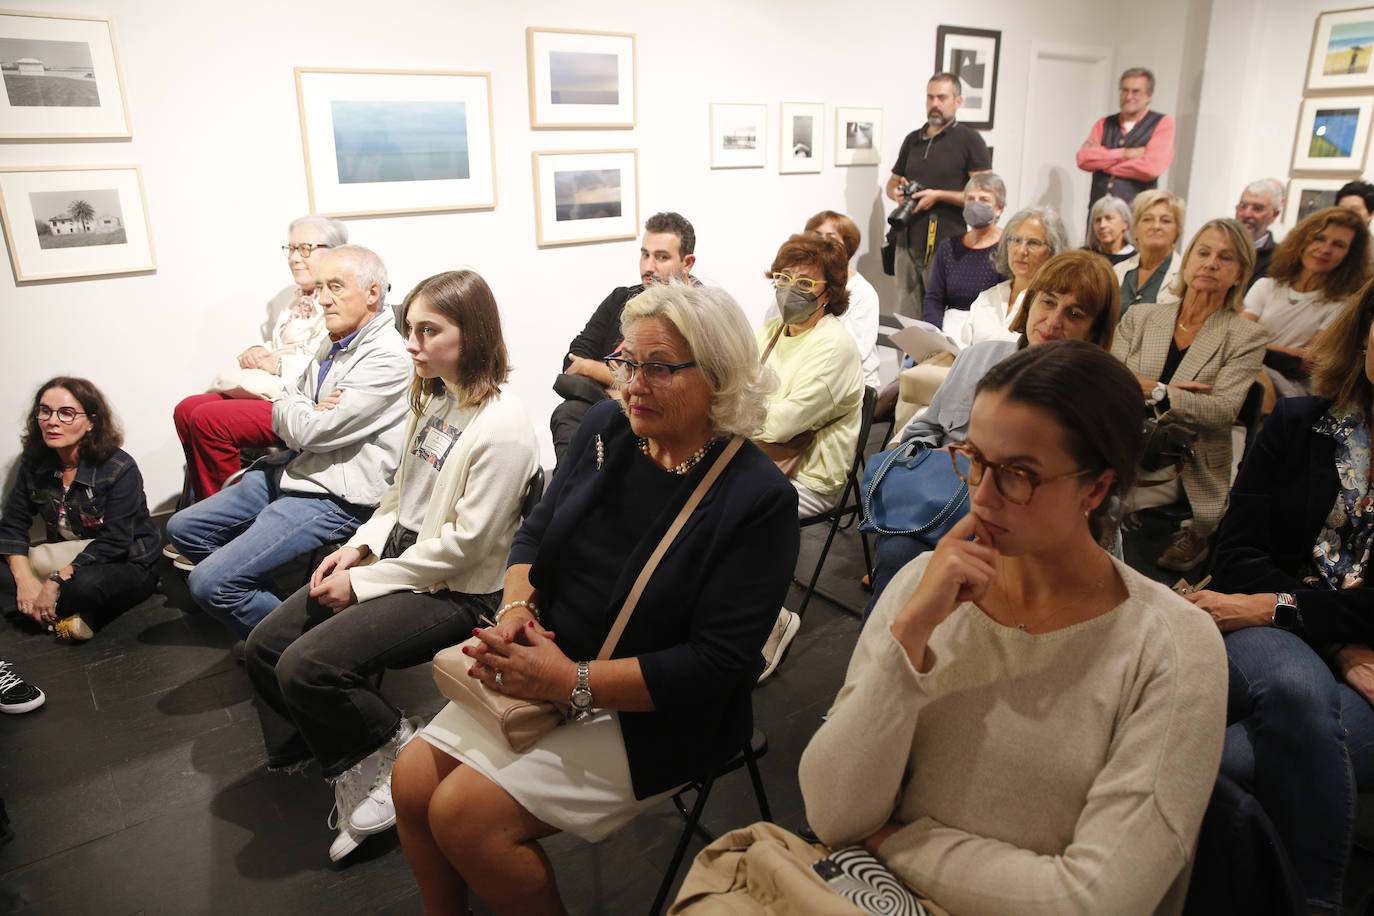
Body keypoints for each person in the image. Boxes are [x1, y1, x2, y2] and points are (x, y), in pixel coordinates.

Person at [391, 281, 798, 916]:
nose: (633, 383)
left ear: (719, 377)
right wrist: (518, 612)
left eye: (658, 368)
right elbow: (533, 535)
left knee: (465, 816)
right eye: (627, 362)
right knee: (410, 782)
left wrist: (571, 680)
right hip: (550, 662)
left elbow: (719, 665)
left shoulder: (756, 498)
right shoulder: (608, 428)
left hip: (658, 714)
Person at [800, 340, 1226, 916]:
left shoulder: (1171, 647)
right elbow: (832, 812)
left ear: (1096, 489)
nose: (980, 493)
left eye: (1018, 475)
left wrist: (892, 841)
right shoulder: (926, 589)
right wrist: (909, 635)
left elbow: (1096, 898)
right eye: (974, 458)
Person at [244, 269, 540, 863]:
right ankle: (346, 751)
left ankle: (392, 754)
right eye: (410, 329)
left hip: (459, 589)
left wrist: (364, 581)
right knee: (263, 645)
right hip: (405, 555)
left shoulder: (503, 429)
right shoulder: (433, 397)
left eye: (428, 331)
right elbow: (400, 495)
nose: (412, 344)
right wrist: (358, 547)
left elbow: (465, 548)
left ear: (474, 334)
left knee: (307, 665)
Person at [1187, 285, 1374, 915]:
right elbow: (1236, 554)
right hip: (1273, 633)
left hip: (1311, 636)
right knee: (1294, 695)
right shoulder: (1299, 424)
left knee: (1228, 758)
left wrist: (1284, 606)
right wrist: (1333, 634)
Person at [165, 245, 412, 638]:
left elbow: (310, 430)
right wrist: (304, 406)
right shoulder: (336, 338)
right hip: (298, 471)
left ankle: (302, 647)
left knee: (209, 583)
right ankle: (276, 617)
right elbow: (287, 397)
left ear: (372, 293)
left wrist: (302, 410)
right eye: (319, 287)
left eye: (335, 286)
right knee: (182, 528)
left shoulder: (388, 357)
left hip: (335, 496)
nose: (323, 299)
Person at [868, 250, 1121, 613]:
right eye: (1048, 302)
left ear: (1094, 331)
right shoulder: (977, 359)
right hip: (938, 509)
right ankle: (887, 662)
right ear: (1029, 302)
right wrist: (935, 454)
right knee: (897, 556)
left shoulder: (1096, 399)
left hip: (1024, 538)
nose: (1053, 321)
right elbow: (923, 428)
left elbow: (1097, 508)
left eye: (1075, 313)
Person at [1113, 218, 1267, 571]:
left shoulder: (1245, 335)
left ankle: (1195, 535)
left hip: (1188, 458)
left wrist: (1155, 389)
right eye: (1203, 252)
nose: (1211, 263)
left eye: (1225, 257)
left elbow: (1222, 410)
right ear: (1187, 261)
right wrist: (1171, 396)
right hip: (1124, 442)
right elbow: (1108, 381)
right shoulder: (1141, 317)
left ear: (1241, 272)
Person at [172, 215, 344, 504]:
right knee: (186, 410)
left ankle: (221, 517)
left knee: (207, 419)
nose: (293, 258)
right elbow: (284, 344)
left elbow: (331, 361)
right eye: (290, 249)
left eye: (304, 249)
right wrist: (260, 351)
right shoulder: (295, 299)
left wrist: (277, 364)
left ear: (335, 251)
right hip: (276, 388)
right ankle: (203, 506)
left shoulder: (340, 298)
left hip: (303, 400)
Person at [0, 377, 159, 642]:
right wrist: (26, 581)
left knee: (85, 586)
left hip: (122, 561)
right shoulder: (34, 461)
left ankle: (44, 611)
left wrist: (54, 582)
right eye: (45, 411)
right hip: (65, 557)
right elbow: (12, 526)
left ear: (91, 422)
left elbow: (115, 542)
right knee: (10, 566)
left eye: (66, 413)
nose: (52, 421)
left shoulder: (119, 467)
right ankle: (59, 615)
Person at [549, 211, 697, 462]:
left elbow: (678, 381)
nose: (649, 267)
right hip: (607, 402)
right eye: (645, 255)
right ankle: (571, 494)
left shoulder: (700, 312)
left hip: (664, 411)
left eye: (661, 257)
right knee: (568, 412)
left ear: (687, 263)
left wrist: (596, 370)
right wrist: (614, 384)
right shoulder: (621, 298)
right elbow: (572, 360)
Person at [756, 234, 865, 516]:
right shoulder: (772, 331)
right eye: (783, 278)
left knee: (724, 509)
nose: (790, 289)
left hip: (808, 477)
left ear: (828, 293)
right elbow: (734, 389)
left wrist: (739, 410)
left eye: (804, 283)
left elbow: (781, 425)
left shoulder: (834, 346)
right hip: (760, 457)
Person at [886, 73, 992, 318]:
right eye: (930, 97)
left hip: (948, 244)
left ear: (958, 101)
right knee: (907, 317)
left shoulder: (970, 140)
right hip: (906, 240)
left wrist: (939, 196)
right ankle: (910, 359)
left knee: (942, 314)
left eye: (942, 97)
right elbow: (892, 182)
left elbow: (985, 193)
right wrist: (898, 194)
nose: (935, 103)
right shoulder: (913, 140)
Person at [1243, 205, 1370, 403]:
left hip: (1293, 389)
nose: (1325, 250)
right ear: (1302, 240)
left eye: (1338, 245)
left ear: (1350, 255)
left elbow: (1308, 362)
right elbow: (1237, 338)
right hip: (1245, 373)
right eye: (1319, 238)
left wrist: (1253, 347)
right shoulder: (1266, 286)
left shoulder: (1343, 306)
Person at [962, 205, 1068, 346]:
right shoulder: (986, 298)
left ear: (1052, 251)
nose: (1022, 250)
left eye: (1033, 243)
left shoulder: (1050, 308)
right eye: (1016, 240)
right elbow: (962, 353)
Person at [1076, 66, 1177, 211]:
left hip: (1135, 214)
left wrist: (1102, 162)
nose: (1129, 96)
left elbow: (1150, 168)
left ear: (1149, 95)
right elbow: (1083, 159)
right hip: (1099, 213)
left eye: (1136, 91)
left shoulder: (1163, 123)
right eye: (1124, 90)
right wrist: (1125, 154)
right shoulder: (1104, 123)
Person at [922, 172, 1007, 340]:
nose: (975, 205)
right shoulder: (948, 247)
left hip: (990, 333)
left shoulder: (1008, 248)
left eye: (984, 199)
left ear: (999, 208)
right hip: (951, 330)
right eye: (970, 199)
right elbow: (934, 299)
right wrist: (934, 335)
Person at [805, 210, 881, 388]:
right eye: (816, 236)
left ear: (847, 247)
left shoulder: (862, 292)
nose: (821, 243)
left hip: (849, 384)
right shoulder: (799, 282)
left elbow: (854, 352)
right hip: (806, 374)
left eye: (830, 237)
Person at [1115, 188, 1186, 313]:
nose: (1156, 226)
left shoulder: (1186, 278)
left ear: (1177, 231)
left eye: (1165, 220)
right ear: (1135, 228)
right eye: (1148, 219)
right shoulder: (1117, 271)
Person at [1235, 179, 1285, 289]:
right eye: (1243, 206)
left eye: (1257, 209)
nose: (1247, 214)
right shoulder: (1216, 246)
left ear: (1274, 215)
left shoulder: (1279, 260)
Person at [1084, 194, 1136, 265]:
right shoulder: (1084, 256)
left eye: (1109, 218)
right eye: (1098, 220)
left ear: (1125, 224)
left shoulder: (1137, 258)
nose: (1102, 225)